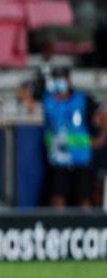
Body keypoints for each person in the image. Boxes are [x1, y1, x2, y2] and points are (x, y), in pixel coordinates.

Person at [20, 67, 106, 208]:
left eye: (62, 79)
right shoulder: (48, 98)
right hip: (58, 156)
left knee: (83, 197)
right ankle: (58, 226)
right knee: (58, 196)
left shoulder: (82, 99)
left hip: (81, 156)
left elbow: (102, 113)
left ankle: (87, 227)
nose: (60, 83)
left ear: (69, 80)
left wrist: (102, 137)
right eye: (57, 79)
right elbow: (23, 89)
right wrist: (29, 101)